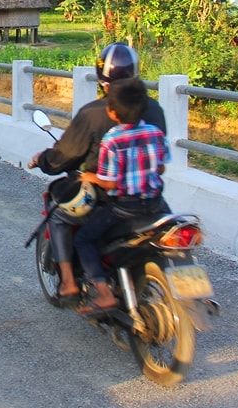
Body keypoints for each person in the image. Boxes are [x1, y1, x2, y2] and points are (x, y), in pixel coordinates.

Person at [29, 42, 167, 301]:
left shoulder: (96, 115)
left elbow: (66, 157)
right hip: (153, 198)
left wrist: (45, 160)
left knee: (58, 213)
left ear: (103, 81)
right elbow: (161, 161)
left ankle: (69, 283)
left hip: (110, 199)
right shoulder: (154, 110)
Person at [72, 77, 169, 315]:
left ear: (113, 113)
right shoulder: (155, 133)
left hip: (124, 208)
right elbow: (161, 167)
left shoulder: (112, 139)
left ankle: (104, 293)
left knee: (84, 239)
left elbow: (111, 181)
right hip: (155, 204)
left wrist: (89, 178)